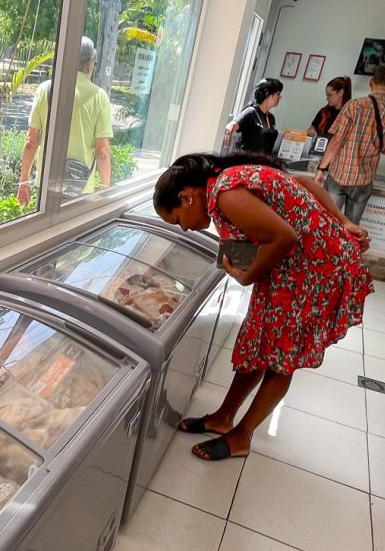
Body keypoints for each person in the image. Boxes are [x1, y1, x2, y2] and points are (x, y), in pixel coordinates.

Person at [153, 152, 373, 462]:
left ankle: (241, 437)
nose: (184, 230)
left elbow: (284, 237)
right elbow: (304, 183)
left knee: (281, 356)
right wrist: (345, 221)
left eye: (177, 220)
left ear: (186, 197)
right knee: (257, 343)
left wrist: (246, 276)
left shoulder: (225, 194)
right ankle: (224, 416)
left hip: (312, 271)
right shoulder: (226, 180)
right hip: (291, 270)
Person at [18, 37, 112, 205]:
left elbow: (31, 142)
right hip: (79, 188)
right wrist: (106, 190)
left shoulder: (45, 89)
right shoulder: (99, 97)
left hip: (46, 184)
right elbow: (103, 151)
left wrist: (24, 180)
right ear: (90, 63)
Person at [317, 64, 385, 224]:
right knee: (351, 226)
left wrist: (321, 169)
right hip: (364, 180)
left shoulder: (354, 105)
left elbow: (336, 141)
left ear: (371, 81)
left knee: (328, 222)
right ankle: (346, 248)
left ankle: (327, 248)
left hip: (339, 175)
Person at [224, 77, 283, 155]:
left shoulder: (271, 118)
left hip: (262, 163)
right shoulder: (251, 112)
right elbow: (230, 126)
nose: (280, 97)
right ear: (268, 95)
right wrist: (227, 137)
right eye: (278, 94)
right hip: (247, 161)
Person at [305, 75, 352, 166]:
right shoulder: (324, 112)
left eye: (330, 95)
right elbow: (309, 130)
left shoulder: (350, 114)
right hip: (317, 158)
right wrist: (311, 133)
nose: (327, 98)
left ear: (341, 93)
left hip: (337, 162)